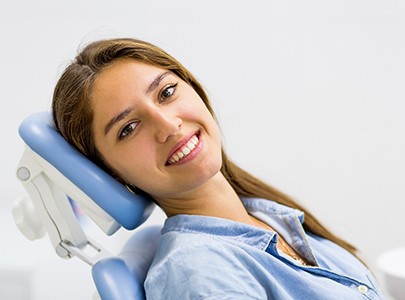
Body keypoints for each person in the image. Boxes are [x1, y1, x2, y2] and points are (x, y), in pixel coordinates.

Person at [52, 38, 385, 299]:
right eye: (128, 128)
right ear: (112, 174)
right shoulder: (202, 273)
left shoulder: (265, 215)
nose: (167, 125)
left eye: (167, 92)